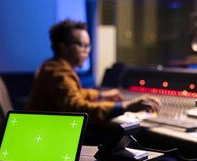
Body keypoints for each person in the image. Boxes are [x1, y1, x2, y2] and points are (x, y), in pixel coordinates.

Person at [27, 19, 159, 144]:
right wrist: (125, 106)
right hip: (52, 140)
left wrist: (101, 95)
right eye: (82, 45)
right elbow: (76, 109)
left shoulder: (52, 66)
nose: (87, 51)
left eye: (88, 46)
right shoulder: (59, 73)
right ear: (63, 47)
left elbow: (74, 93)